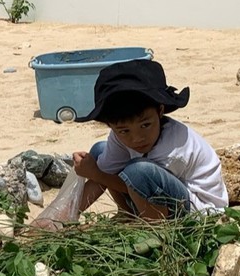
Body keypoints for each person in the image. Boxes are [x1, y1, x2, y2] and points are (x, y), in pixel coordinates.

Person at [63, 59, 227, 221]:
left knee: (138, 171)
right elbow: (104, 178)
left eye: (145, 125)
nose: (137, 139)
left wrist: (96, 173)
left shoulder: (173, 149)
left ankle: (154, 232)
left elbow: (138, 183)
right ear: (110, 126)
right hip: (163, 195)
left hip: (199, 210)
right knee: (100, 151)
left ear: (160, 111)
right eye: (124, 130)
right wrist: (60, 218)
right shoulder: (120, 137)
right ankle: (128, 214)